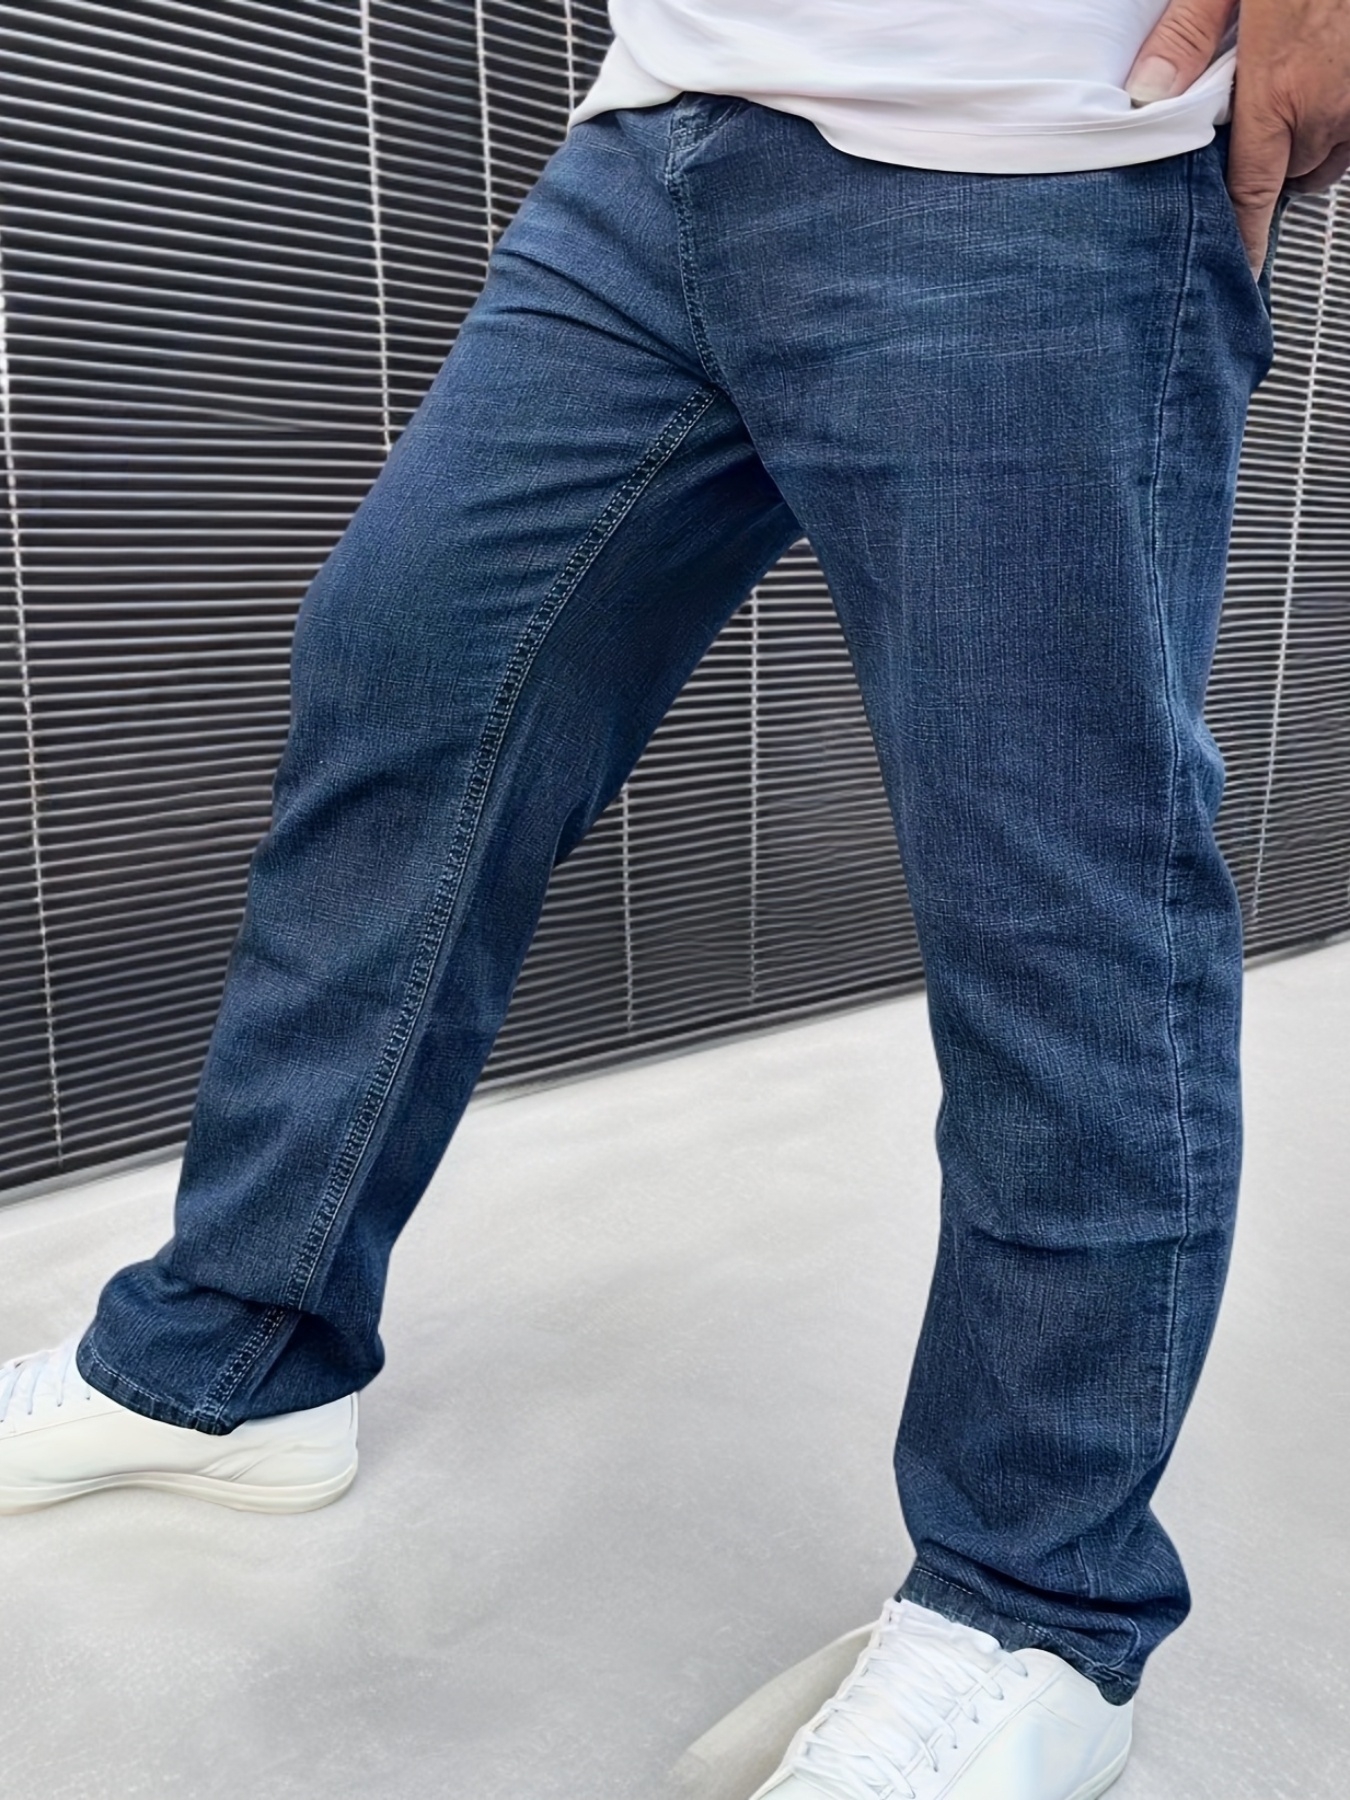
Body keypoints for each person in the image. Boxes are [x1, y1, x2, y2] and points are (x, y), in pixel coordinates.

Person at [3, 1, 1348, 1794]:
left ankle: (1036, 1604)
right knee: (407, 702)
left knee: (1055, 886)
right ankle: (230, 1353)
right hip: (660, 140)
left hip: (1040, 149)